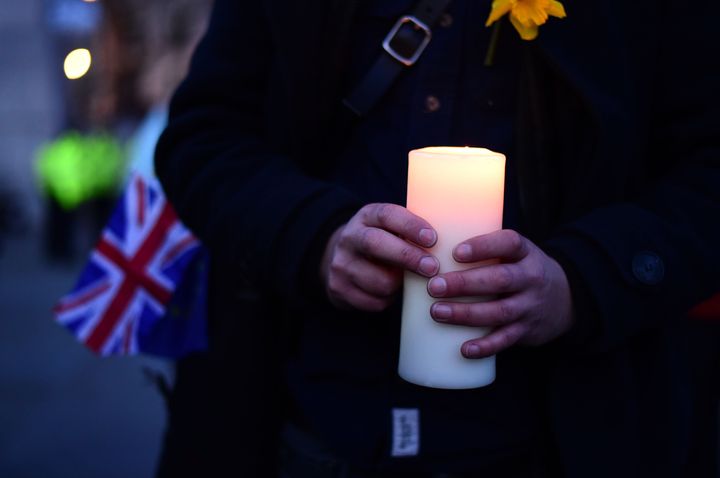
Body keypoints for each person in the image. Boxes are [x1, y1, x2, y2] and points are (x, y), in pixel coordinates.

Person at [154, 0, 720, 477]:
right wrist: (316, 237)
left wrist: (580, 281)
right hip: (309, 419)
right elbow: (203, 139)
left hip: (568, 433)